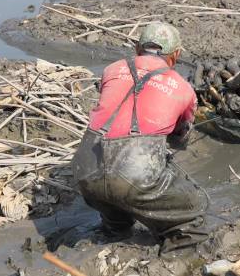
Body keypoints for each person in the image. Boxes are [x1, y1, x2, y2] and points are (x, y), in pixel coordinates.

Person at [72, 22, 209, 253]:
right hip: (135, 173)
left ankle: (113, 233)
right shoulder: (183, 88)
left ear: (137, 48)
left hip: (85, 168)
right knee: (192, 211)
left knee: (113, 207)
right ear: (175, 56)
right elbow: (179, 137)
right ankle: (173, 259)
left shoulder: (111, 70)